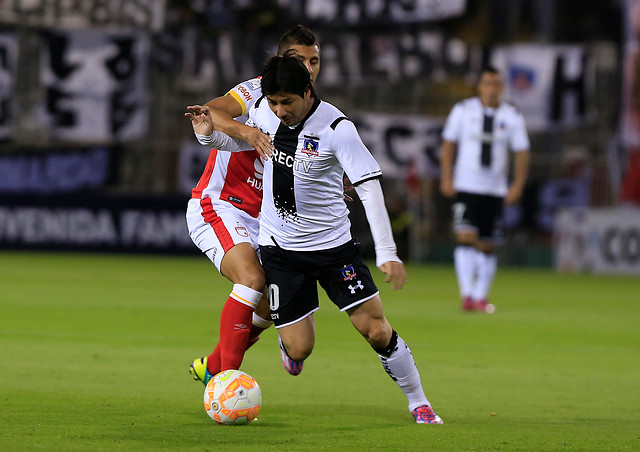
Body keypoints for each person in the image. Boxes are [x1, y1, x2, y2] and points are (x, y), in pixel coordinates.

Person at [190, 55, 443, 424]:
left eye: (287, 102)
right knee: (300, 348)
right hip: (281, 252)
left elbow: (369, 188)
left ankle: (418, 402)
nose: (280, 111)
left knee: (374, 330)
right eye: (274, 102)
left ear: (307, 93)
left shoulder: (337, 128)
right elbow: (237, 146)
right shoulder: (263, 111)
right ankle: (283, 340)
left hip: (333, 251)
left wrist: (388, 252)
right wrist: (206, 134)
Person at [184, 25, 321, 385]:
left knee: (289, 328)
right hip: (222, 206)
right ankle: (226, 383)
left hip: (272, 220)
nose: (308, 67)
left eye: (314, 61)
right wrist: (247, 131)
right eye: (298, 60)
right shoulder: (257, 89)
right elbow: (211, 111)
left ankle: (213, 363)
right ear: (280, 60)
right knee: (251, 278)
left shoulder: (313, 108)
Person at [439, 66, 530, 313]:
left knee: (488, 243)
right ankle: (467, 294)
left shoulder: (512, 116)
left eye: (496, 84)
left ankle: (481, 295)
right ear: (480, 86)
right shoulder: (463, 110)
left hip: (495, 189)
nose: (491, 88)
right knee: (465, 236)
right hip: (467, 185)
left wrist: (518, 184)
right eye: (487, 83)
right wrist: (446, 177)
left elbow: (521, 152)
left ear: (501, 88)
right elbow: (448, 144)